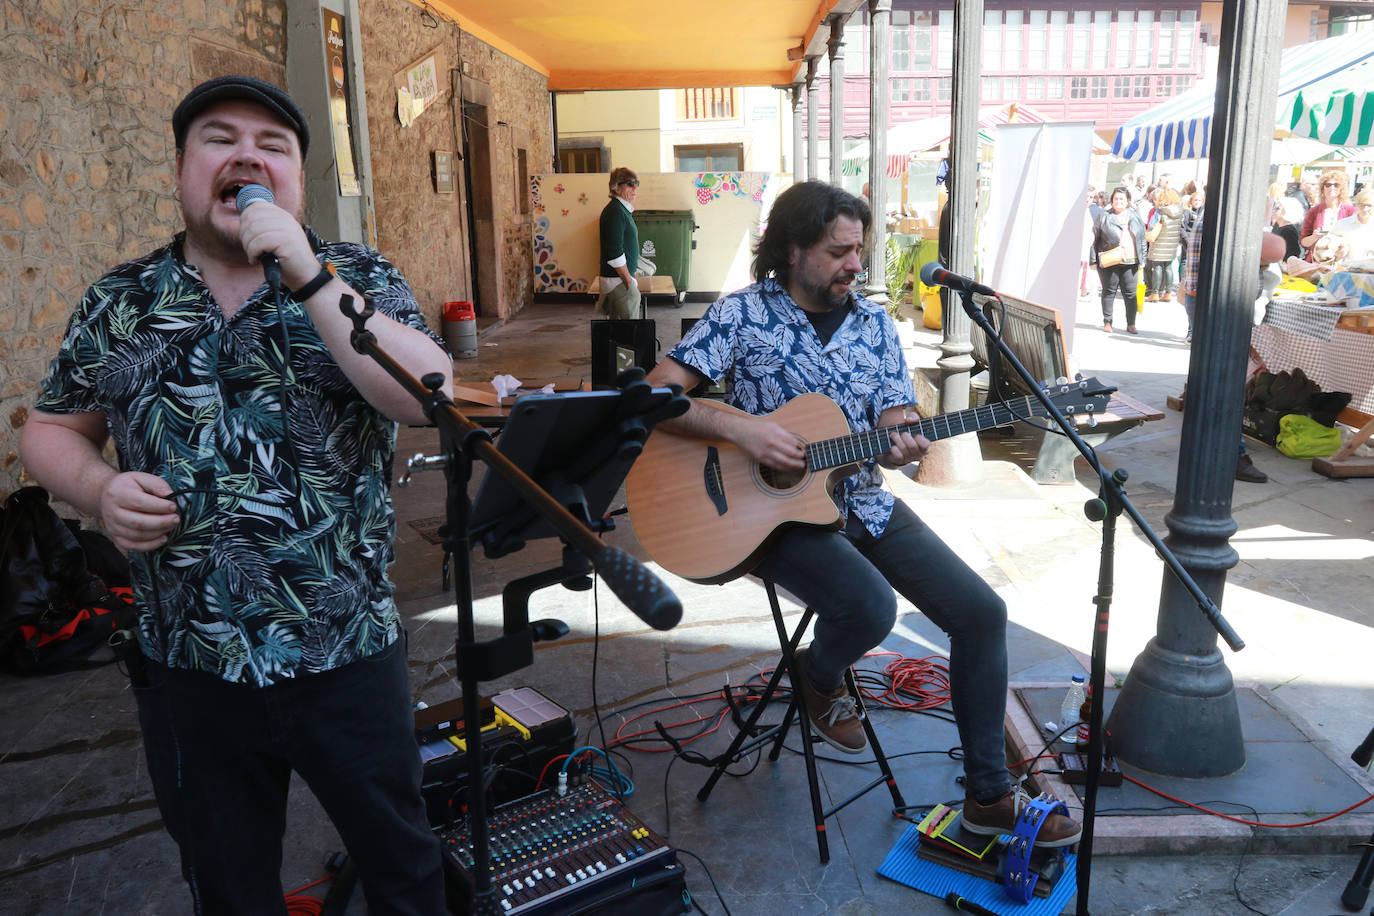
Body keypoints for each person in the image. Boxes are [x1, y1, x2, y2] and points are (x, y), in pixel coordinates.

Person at [18, 75, 452, 913]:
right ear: (183, 170)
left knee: (403, 871)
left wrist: (307, 272)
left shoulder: (355, 277)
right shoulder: (122, 301)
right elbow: (49, 430)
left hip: (346, 655)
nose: (247, 155)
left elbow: (428, 391)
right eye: (219, 138)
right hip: (191, 665)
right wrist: (100, 489)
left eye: (273, 145)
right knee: (227, 884)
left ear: (295, 180)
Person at [642, 181, 1082, 848]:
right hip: (770, 517)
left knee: (982, 614)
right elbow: (651, 398)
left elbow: (895, 417)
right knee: (871, 607)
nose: (856, 264)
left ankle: (989, 797)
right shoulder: (740, 316)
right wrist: (742, 432)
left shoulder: (875, 324)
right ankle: (818, 680)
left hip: (860, 501)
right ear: (792, 251)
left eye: (861, 251)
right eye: (839, 250)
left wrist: (905, 442)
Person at [1176, 206, 1272, 483]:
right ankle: (1231, 455)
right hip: (1219, 303)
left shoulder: (1217, 210)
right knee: (1224, 385)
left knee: (1211, 382)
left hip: (1212, 300)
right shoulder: (1230, 212)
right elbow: (1276, 249)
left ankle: (1207, 451)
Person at [1093, 187, 1148, 334]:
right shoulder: (1104, 216)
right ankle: (1108, 322)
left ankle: (1131, 323)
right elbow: (1095, 239)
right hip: (1111, 260)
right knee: (1109, 291)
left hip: (1131, 261)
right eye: (1116, 199)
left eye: (1122, 199)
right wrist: (1093, 260)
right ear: (1112, 200)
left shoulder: (1135, 216)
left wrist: (1143, 258)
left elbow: (1142, 238)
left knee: (1130, 294)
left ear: (1127, 201)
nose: (1118, 201)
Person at [596, 166, 642, 319]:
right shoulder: (615, 212)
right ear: (616, 187)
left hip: (621, 280)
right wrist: (628, 281)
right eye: (629, 183)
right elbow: (614, 252)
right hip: (619, 282)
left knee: (619, 331)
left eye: (636, 183)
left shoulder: (622, 210)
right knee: (628, 333)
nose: (635, 187)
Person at [1299, 168, 1355, 255]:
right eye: (1328, 185)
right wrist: (1314, 237)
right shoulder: (1314, 211)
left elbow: (1356, 236)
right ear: (1322, 189)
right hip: (1318, 260)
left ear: (1341, 189)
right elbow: (1303, 242)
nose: (1332, 188)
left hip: (1341, 261)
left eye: (1336, 185)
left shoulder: (1350, 210)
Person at [1144, 188, 1185, 302]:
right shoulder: (1179, 212)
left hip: (1159, 242)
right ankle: (1168, 293)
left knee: (1157, 266)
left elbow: (1152, 225)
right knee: (1168, 267)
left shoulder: (1161, 211)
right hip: (1172, 244)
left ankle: (1155, 293)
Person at [1332, 188, 1374, 261]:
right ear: (1356, 206)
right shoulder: (1342, 225)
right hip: (1346, 270)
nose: (1365, 209)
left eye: (1369, 205)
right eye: (1362, 205)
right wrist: (1337, 253)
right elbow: (1327, 251)